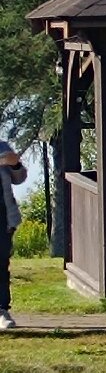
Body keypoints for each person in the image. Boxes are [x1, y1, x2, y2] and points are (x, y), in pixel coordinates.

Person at [0, 141, 25, 329]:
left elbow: (20, 178)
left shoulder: (2, 146)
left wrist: (15, 164)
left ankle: (2, 311)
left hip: (3, 216)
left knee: (1, 264)